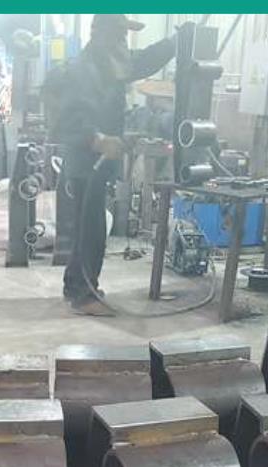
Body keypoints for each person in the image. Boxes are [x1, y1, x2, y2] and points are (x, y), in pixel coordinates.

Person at [55, 15, 178, 315]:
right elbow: (66, 117)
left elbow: (143, 60)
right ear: (103, 36)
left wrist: (176, 42)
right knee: (92, 229)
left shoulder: (108, 64)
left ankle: (75, 284)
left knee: (86, 227)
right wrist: (97, 139)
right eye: (121, 36)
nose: (125, 44)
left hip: (96, 162)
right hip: (86, 163)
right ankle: (84, 296)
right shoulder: (83, 69)